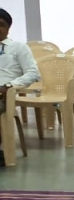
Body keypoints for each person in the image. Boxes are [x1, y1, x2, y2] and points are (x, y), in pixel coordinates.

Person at [0, 9, 39, 165]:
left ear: (8, 28)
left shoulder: (18, 47)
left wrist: (8, 86)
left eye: (1, 25)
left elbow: (33, 73)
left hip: (4, 95)